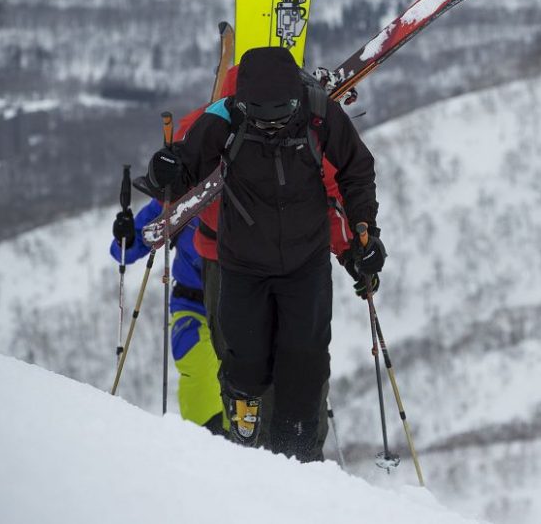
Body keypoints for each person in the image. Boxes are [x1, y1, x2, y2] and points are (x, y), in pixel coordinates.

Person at [146, 46, 385, 461]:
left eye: (280, 113)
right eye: (261, 114)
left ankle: (297, 458)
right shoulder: (225, 117)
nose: (271, 123)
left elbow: (354, 171)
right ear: (243, 103)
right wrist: (162, 170)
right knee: (244, 360)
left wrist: (362, 237)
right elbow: (184, 168)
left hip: (304, 262)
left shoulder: (318, 113)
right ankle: (246, 454)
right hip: (242, 264)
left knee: (304, 362)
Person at [109, 201, 225, 433]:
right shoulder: (185, 190)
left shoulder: (253, 184)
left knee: (241, 379)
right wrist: (127, 236)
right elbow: (124, 251)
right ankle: (206, 441)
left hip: (245, 306)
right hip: (193, 303)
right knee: (198, 369)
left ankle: (242, 447)